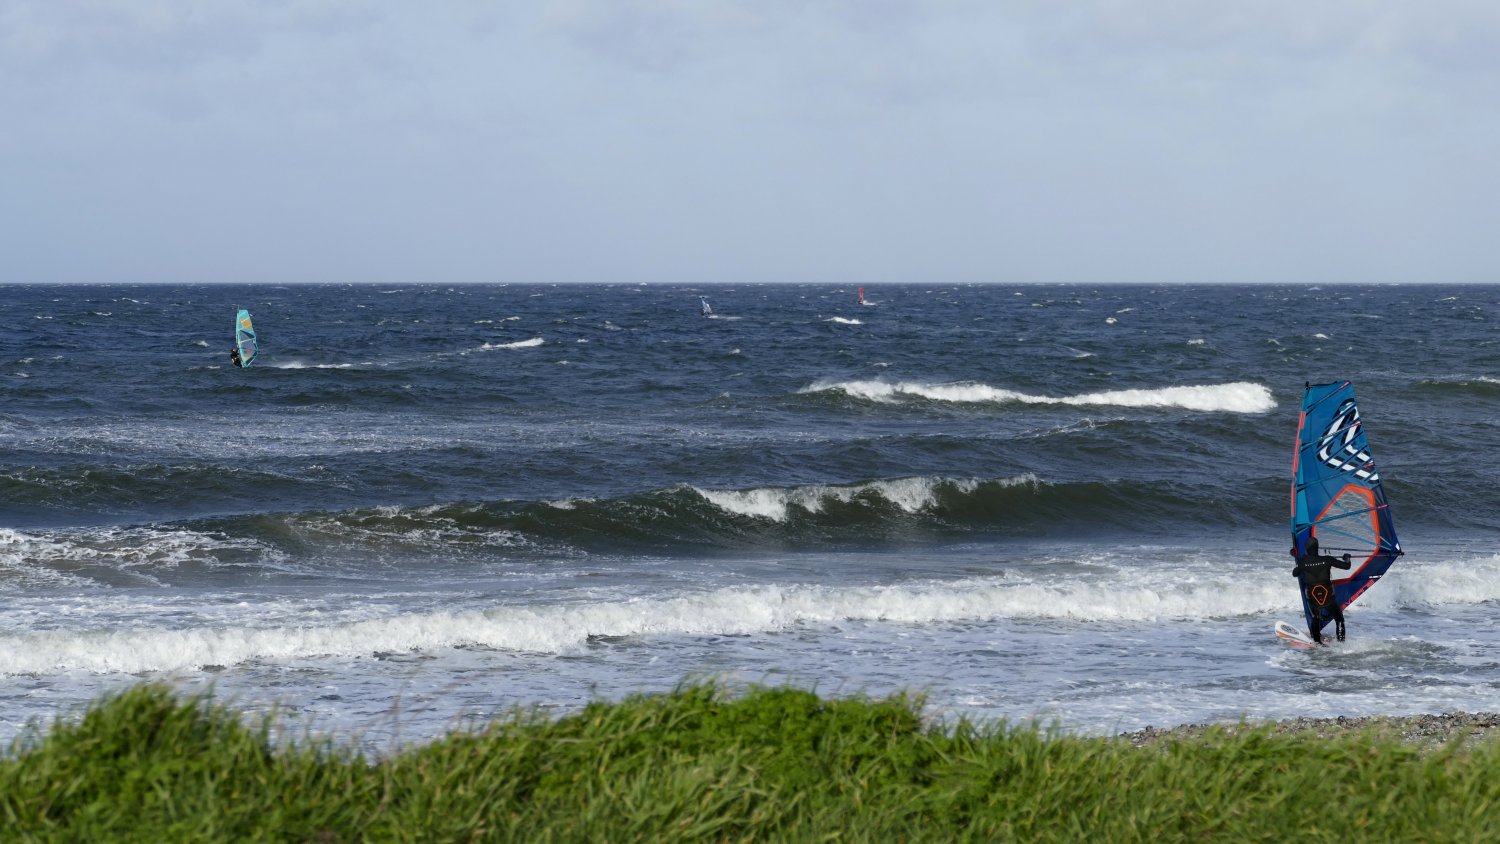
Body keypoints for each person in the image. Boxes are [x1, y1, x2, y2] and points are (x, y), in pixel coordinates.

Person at [1290, 535, 1352, 643]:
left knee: (1315, 618)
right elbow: (1346, 566)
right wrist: (1347, 557)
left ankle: (1317, 643)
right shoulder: (1327, 559)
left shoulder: (1303, 562)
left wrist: (1298, 561)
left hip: (1313, 597)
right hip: (1328, 597)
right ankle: (1341, 642)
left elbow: (1295, 573)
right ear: (1317, 547)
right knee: (1339, 619)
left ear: (1306, 549)